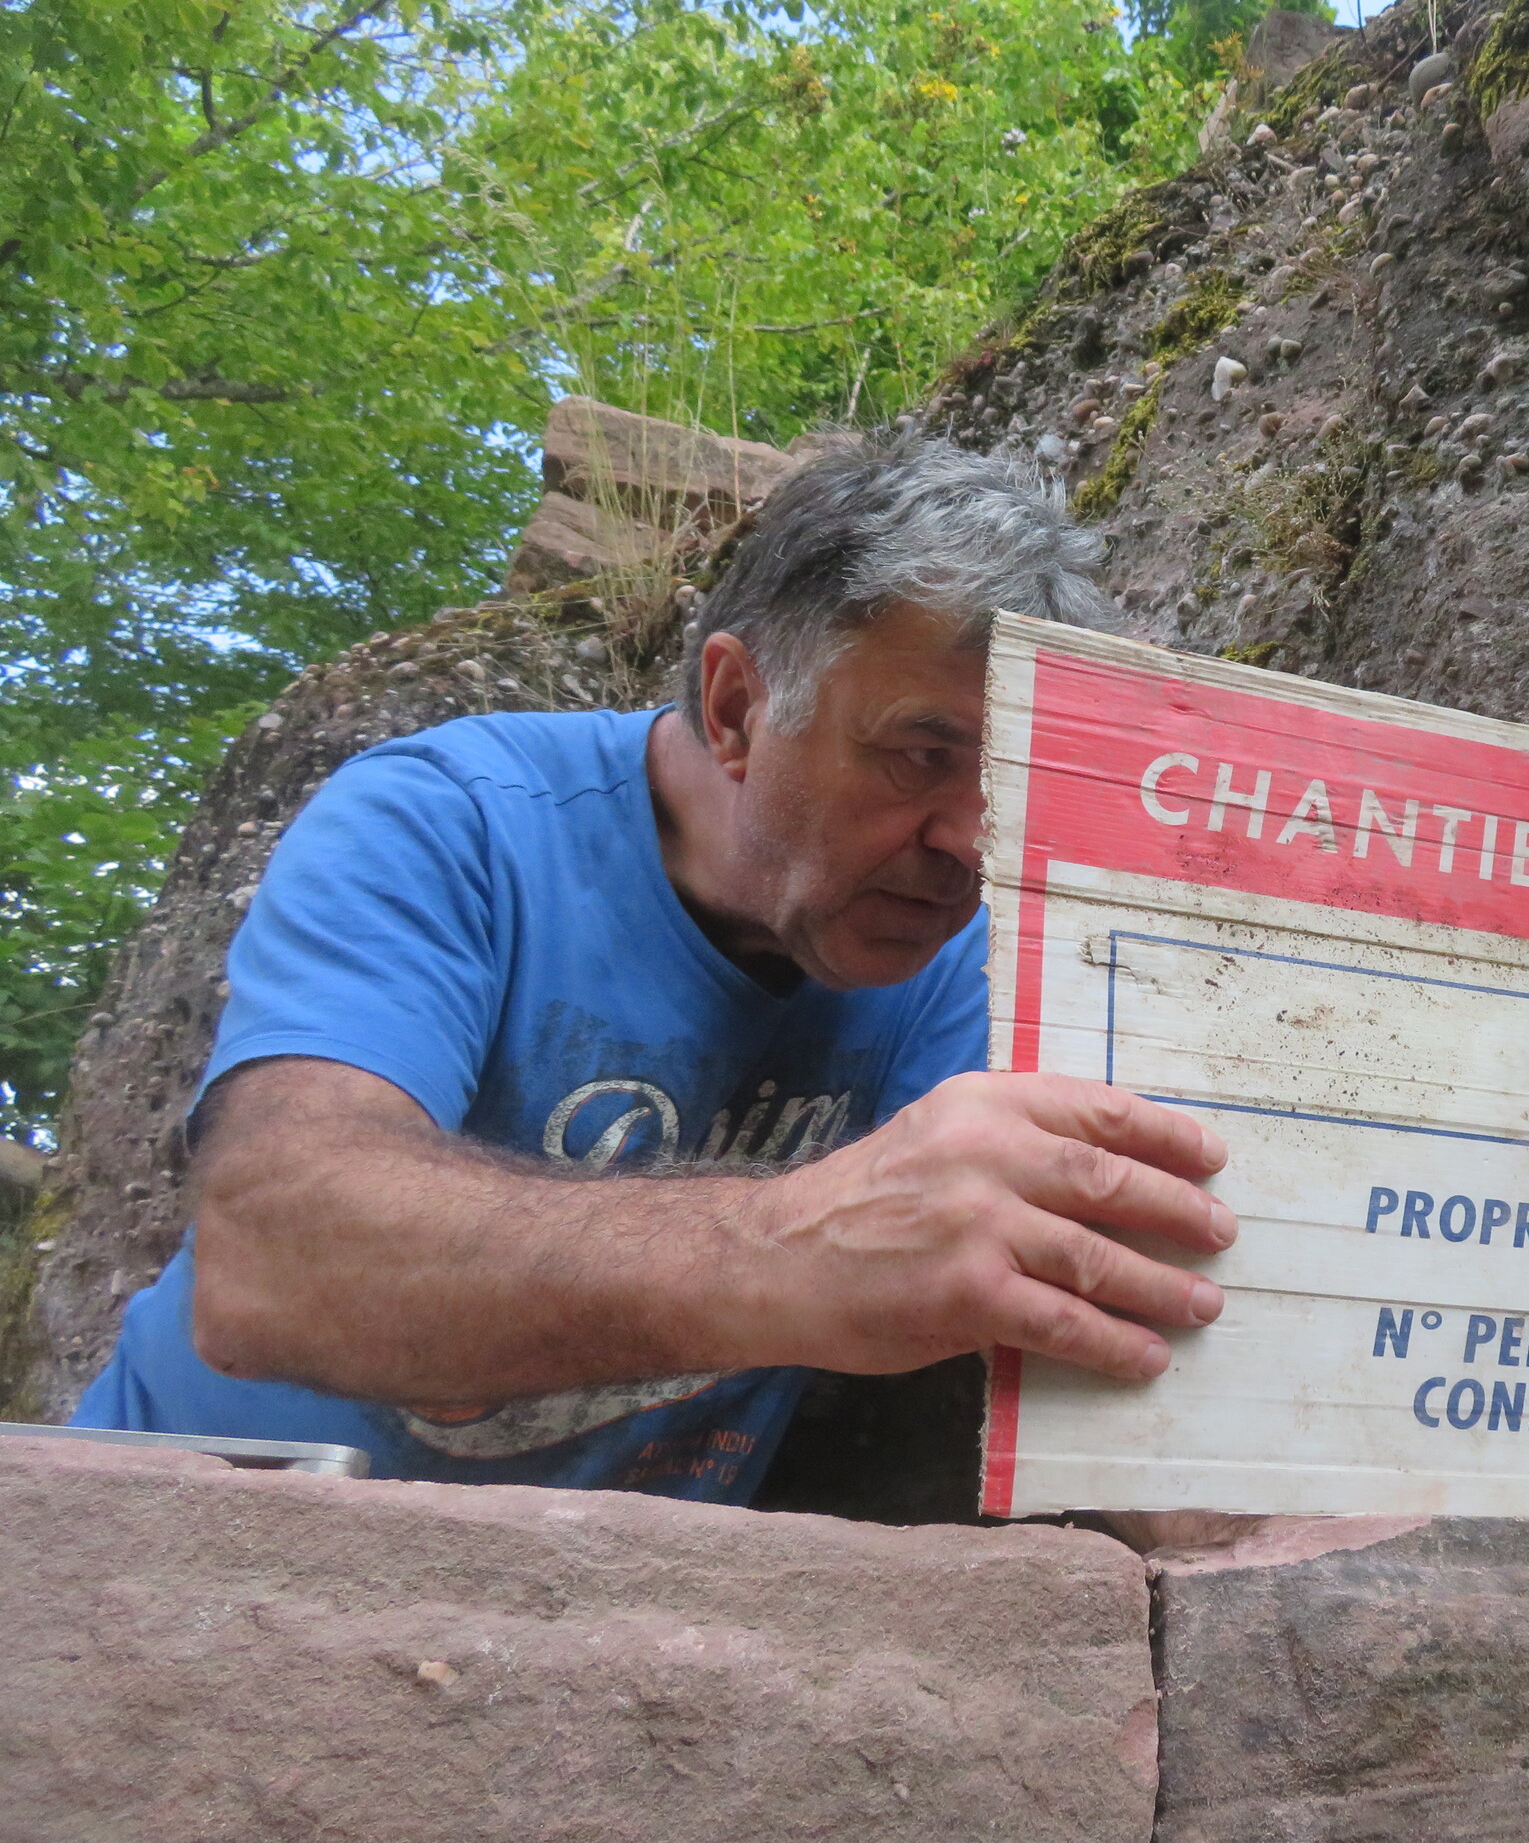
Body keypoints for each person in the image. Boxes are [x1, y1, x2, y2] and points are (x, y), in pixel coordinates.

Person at [72, 436, 1236, 1501]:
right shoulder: (451, 824)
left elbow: (1118, 1315)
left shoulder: (962, 959)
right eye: (922, 755)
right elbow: (278, 1261)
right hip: (167, 1552)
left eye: (1012, 781)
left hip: (606, 1620)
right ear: (736, 708)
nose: (975, 839)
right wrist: (793, 1250)